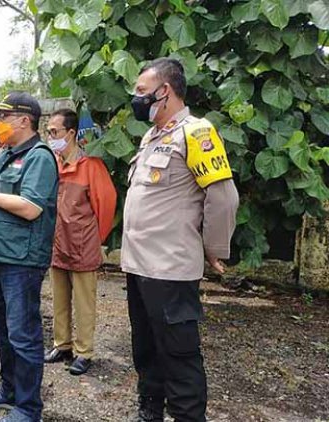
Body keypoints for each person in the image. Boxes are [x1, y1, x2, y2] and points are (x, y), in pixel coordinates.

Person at [123, 58, 239, 422]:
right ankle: (150, 411)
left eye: (141, 91)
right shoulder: (152, 136)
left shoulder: (197, 132)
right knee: (146, 350)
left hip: (170, 270)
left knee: (179, 357)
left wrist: (214, 247)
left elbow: (222, 196)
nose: (135, 98)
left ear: (165, 91)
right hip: (139, 266)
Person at [0, 92, 58, 422]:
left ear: (23, 120)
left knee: (23, 333)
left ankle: (29, 408)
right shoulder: (7, 154)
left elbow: (31, 208)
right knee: (1, 327)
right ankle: (9, 390)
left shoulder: (40, 157)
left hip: (22, 260)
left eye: (4, 117)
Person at [43, 108, 117, 376]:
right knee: (59, 298)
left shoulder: (91, 167)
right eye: (49, 132)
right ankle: (62, 344)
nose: (51, 137)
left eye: (55, 132)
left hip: (83, 245)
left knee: (84, 303)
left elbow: (106, 207)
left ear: (71, 133)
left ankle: (84, 351)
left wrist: (95, 239)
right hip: (57, 244)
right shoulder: (53, 163)